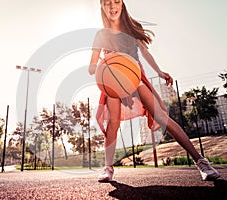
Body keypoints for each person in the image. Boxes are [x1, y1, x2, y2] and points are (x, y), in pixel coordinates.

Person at [89, 0, 220, 182]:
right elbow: (91, 67)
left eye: (116, 1)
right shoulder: (101, 34)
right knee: (113, 123)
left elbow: (145, 52)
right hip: (112, 80)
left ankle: (201, 162)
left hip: (135, 76)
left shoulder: (133, 27)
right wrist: (104, 64)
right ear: (102, 7)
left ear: (122, 4)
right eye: (107, 3)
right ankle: (108, 168)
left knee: (161, 118)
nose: (112, 6)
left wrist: (158, 72)